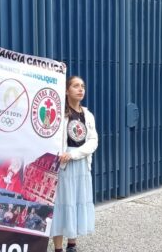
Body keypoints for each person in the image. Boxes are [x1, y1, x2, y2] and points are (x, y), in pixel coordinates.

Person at [50, 76, 98, 252]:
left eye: (83, 86)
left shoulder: (88, 115)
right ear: (66, 90)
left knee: (76, 201)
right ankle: (57, 248)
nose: (81, 89)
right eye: (76, 86)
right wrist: (65, 155)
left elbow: (93, 142)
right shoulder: (59, 114)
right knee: (62, 204)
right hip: (63, 165)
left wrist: (74, 154)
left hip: (80, 163)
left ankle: (72, 244)